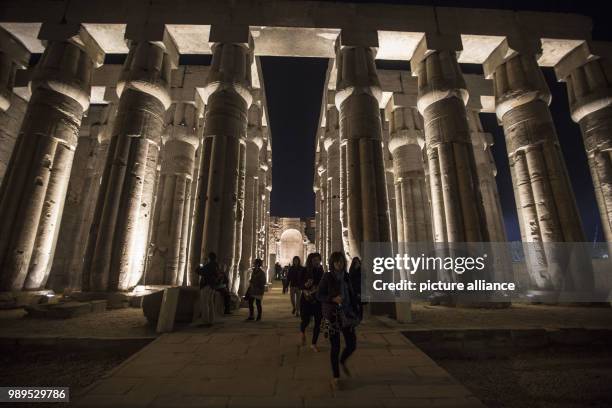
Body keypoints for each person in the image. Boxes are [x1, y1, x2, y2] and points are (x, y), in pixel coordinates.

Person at [317, 251, 361, 389]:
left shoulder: (347, 277)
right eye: (336, 262)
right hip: (333, 316)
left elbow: (352, 294)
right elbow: (319, 295)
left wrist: (357, 310)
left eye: (341, 261)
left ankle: (343, 361)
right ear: (332, 263)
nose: (339, 264)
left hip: (347, 315)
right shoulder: (327, 277)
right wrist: (332, 299)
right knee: (335, 347)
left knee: (352, 344)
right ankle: (336, 377)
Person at [299, 252, 324, 351]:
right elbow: (299, 284)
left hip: (317, 299)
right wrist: (305, 285)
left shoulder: (321, 271)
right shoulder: (304, 270)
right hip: (306, 299)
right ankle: (302, 332)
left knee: (318, 322)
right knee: (305, 320)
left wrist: (317, 288)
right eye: (314, 260)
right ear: (310, 261)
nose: (316, 262)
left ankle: (314, 343)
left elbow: (323, 284)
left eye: (318, 260)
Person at [193, 252, 218, 326]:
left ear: (209, 258)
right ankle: (211, 320)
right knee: (210, 303)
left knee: (205, 303)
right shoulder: (216, 265)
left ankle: (205, 321)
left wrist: (200, 265)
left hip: (206, 286)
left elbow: (198, 271)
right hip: (212, 286)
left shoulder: (209, 265)